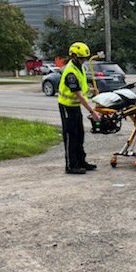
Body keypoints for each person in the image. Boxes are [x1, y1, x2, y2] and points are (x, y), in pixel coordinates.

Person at [57, 42, 101, 174]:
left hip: (75, 107)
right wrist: (92, 112)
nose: (83, 60)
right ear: (74, 56)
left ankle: (81, 161)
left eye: (85, 58)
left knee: (79, 134)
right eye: (81, 58)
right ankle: (71, 165)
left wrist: (92, 90)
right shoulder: (70, 72)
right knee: (71, 135)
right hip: (67, 107)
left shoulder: (79, 68)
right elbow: (79, 95)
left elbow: (82, 88)